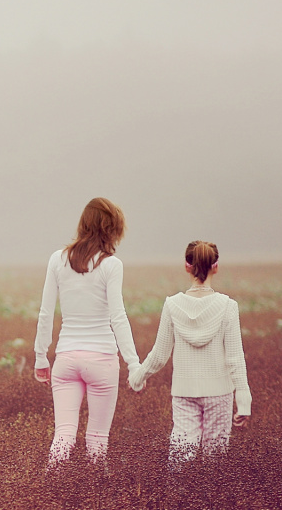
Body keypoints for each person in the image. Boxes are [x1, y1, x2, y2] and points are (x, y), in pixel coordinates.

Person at [33, 197, 141, 466]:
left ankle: (50, 490)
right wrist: (133, 363)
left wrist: (40, 356)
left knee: (63, 434)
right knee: (97, 437)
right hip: (101, 359)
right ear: (112, 228)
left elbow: (46, 312)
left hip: (66, 359)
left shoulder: (57, 260)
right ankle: (96, 496)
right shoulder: (111, 265)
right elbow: (118, 317)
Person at [129, 240, 251, 465]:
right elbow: (235, 358)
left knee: (180, 457)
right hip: (220, 392)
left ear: (187, 266)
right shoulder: (227, 306)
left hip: (184, 392)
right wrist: (244, 401)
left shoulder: (172, 305)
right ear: (216, 266)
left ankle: (177, 499)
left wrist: (137, 377)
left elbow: (159, 354)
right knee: (215, 463)